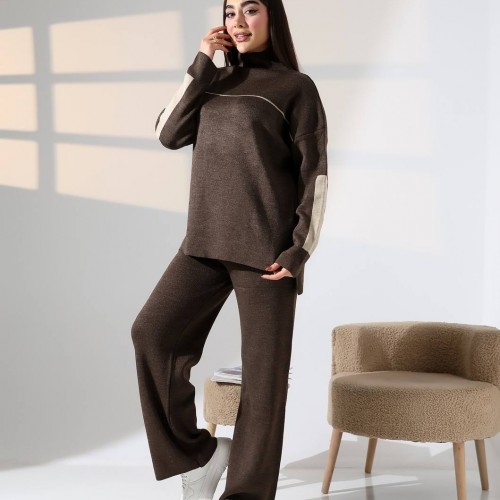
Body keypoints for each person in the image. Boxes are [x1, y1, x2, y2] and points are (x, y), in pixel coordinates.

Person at [131, 0, 328, 498]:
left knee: (263, 382)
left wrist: (298, 251)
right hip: (202, 243)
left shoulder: (295, 87)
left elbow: (315, 176)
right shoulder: (211, 81)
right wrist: (201, 62)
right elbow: (167, 133)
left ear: (272, 18)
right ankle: (196, 457)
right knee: (152, 334)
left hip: (267, 256)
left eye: (251, 10)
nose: (238, 22)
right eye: (229, 11)